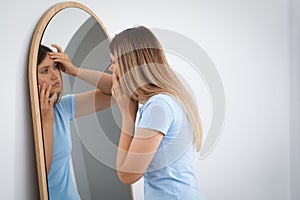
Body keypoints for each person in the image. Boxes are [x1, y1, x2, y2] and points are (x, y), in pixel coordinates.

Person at [109, 26, 205, 199]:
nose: (111, 68)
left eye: (114, 62)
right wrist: (74, 70)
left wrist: (127, 114)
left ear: (128, 65)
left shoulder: (158, 107)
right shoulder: (168, 98)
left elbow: (128, 175)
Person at [37, 44, 112, 200]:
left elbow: (118, 90)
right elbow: (41, 175)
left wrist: (74, 70)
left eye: (55, 67)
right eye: (45, 70)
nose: (55, 75)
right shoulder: (21, 122)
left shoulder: (62, 107)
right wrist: (46, 123)